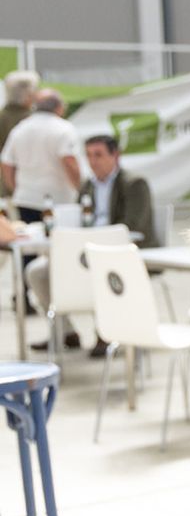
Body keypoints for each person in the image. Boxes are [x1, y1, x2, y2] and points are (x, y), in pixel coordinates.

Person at [25, 133, 155, 355]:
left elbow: (134, 227)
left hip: (123, 253)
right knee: (37, 271)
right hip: (86, 250)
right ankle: (64, 332)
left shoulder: (134, 184)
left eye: (98, 155)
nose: (93, 161)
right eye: (88, 155)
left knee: (94, 271)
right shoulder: (87, 186)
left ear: (115, 155)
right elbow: (78, 218)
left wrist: (98, 237)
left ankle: (106, 333)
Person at [1, 88, 81, 224]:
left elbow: (6, 163)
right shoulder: (63, 128)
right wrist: (80, 189)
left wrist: (17, 188)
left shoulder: (20, 129)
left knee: (32, 240)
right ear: (59, 108)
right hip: (59, 199)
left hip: (26, 198)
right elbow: (69, 161)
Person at [0, 68, 39, 196]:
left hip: (4, 184)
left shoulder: (2, 116)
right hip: (29, 185)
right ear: (28, 95)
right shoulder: (32, 120)